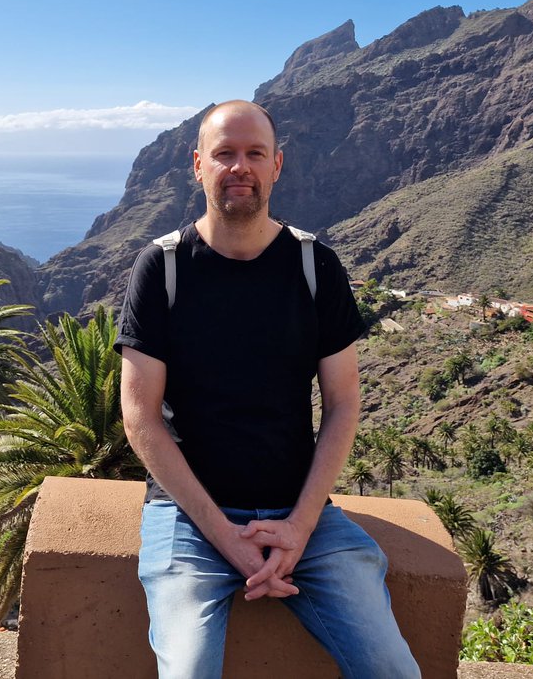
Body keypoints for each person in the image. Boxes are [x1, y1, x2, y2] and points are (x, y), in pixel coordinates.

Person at [116, 99, 421, 679]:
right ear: (198, 164)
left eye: (255, 153)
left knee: (391, 668)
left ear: (277, 165)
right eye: (225, 153)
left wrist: (300, 526)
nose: (240, 167)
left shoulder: (316, 267)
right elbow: (140, 417)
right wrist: (224, 536)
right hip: (188, 517)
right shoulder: (162, 268)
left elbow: (343, 405)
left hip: (303, 513)